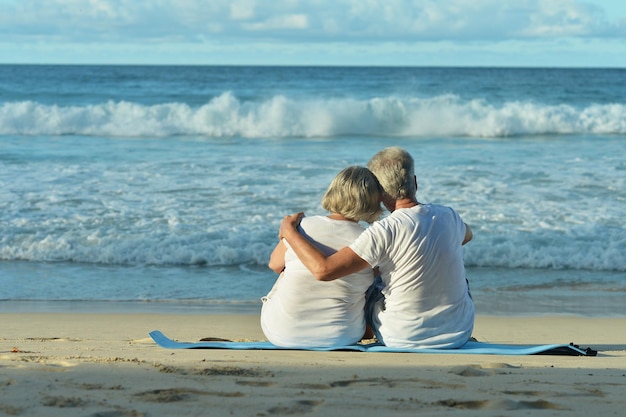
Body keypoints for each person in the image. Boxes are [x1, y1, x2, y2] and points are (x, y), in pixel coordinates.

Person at [279, 147, 474, 349]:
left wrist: (289, 232)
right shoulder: (448, 216)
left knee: (372, 278)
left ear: (380, 194)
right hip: (458, 333)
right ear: (414, 182)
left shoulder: (383, 231)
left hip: (401, 337)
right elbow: (467, 236)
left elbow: (324, 270)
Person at [261, 166, 384, 348]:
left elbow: (275, 264)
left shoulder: (302, 227)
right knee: (369, 280)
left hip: (282, 333)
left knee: (288, 268)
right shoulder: (370, 239)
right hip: (342, 336)